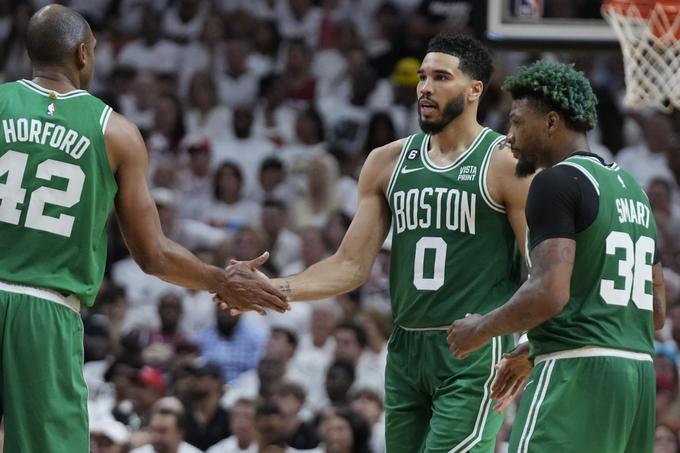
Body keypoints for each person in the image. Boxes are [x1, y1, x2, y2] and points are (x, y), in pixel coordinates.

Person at [0, 5, 287, 453]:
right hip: (46, 310)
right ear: (81, 54)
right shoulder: (114, 131)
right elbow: (152, 253)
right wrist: (219, 279)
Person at [234, 32, 532, 452]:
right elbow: (351, 265)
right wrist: (276, 288)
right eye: (423, 77)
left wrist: (528, 345)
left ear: (474, 90)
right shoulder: (386, 162)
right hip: (406, 347)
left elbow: (543, 270)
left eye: (441, 77)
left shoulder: (505, 162)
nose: (425, 87)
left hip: (473, 348)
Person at [447, 61, 667, 453]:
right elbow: (655, 313)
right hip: (637, 380)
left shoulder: (556, 182)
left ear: (551, 122)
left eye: (517, 122)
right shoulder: (634, 190)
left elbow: (548, 293)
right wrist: (534, 348)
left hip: (576, 376)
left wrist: (480, 329)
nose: (508, 136)